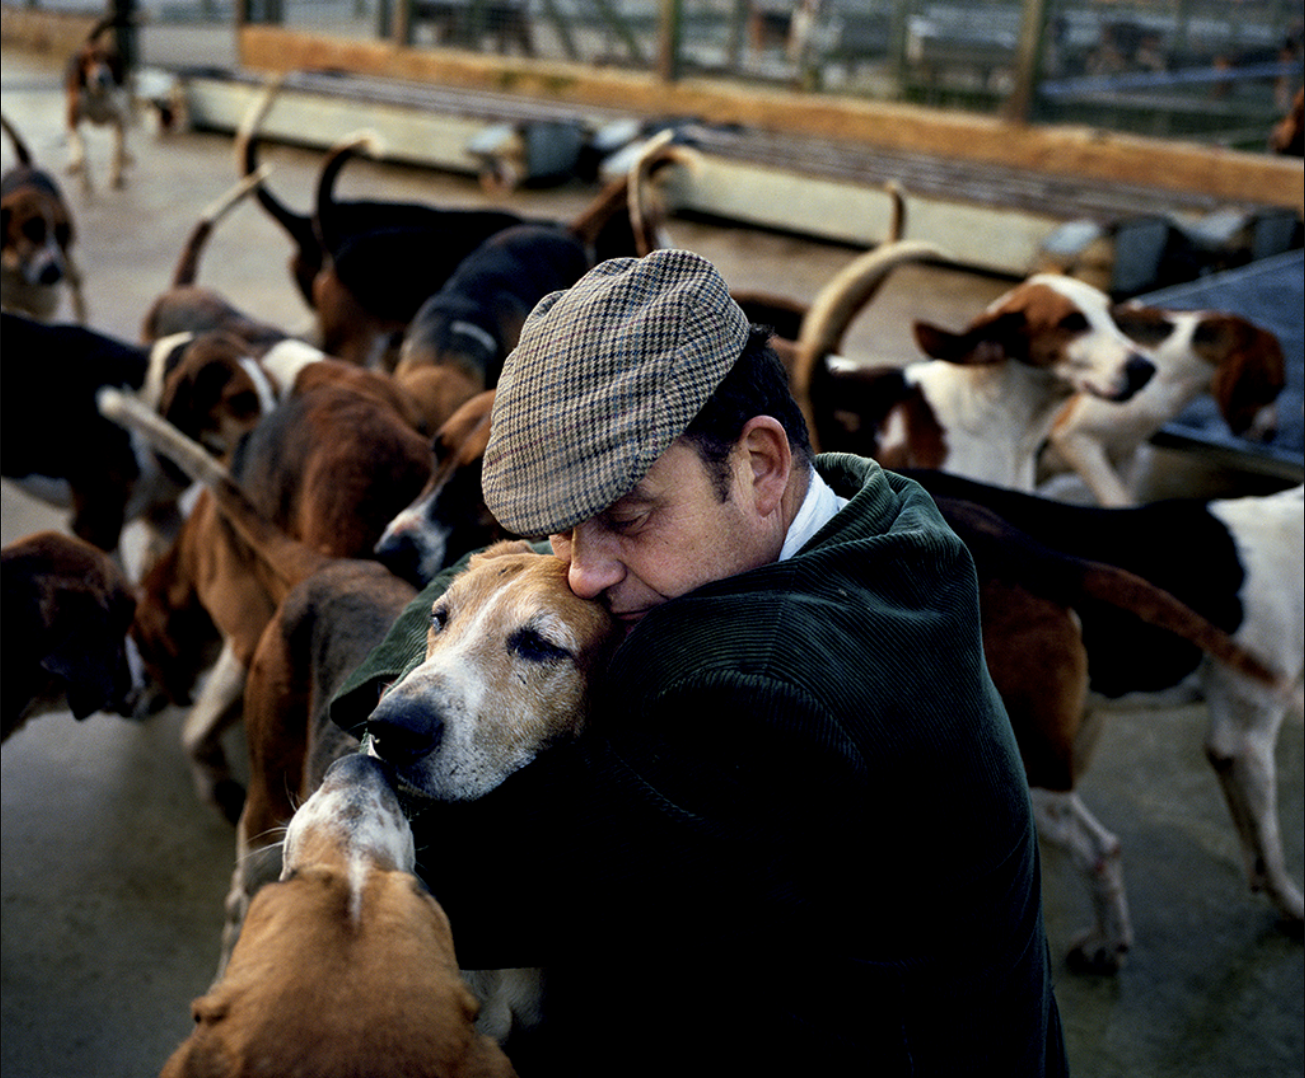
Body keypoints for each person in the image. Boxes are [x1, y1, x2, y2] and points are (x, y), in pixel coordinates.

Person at [331, 249, 1068, 1076]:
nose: (581, 572)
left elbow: (446, 880)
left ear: (759, 462)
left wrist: (386, 692)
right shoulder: (873, 513)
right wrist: (479, 600)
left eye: (626, 516)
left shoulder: (757, 687)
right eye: (564, 529)